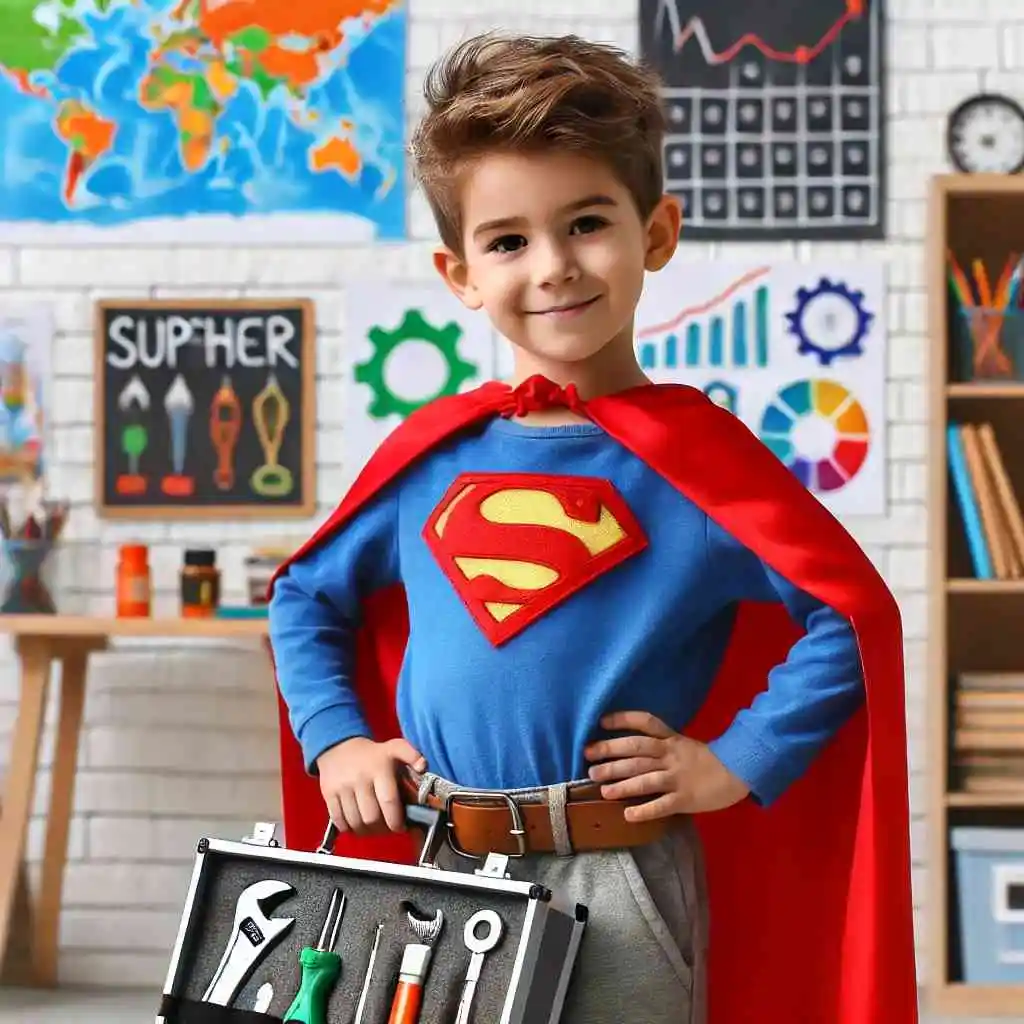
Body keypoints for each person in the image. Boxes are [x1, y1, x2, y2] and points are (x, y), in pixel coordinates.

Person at [268, 33, 918, 1024]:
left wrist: (737, 760)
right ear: (459, 273)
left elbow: (846, 615)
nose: (555, 267)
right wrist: (336, 742)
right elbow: (307, 594)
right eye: (508, 240)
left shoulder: (699, 463)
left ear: (655, 232)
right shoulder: (431, 453)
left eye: (585, 223)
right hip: (443, 860)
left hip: (619, 874)